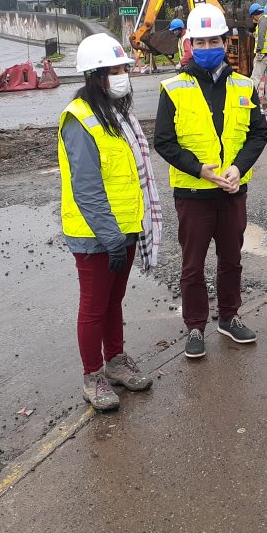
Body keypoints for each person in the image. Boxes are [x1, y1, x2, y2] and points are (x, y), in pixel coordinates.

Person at [154, 3, 267, 359]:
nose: (206, 49)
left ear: (226, 40)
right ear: (189, 44)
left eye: (213, 41)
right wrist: (199, 170)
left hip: (233, 192)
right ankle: (195, 325)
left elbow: (258, 134)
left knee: (232, 259)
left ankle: (229, 317)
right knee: (192, 263)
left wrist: (237, 167)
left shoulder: (243, 86)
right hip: (193, 193)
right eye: (199, 43)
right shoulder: (173, 88)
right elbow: (164, 141)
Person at [58, 32, 163, 411]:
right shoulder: (80, 121)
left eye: (125, 69)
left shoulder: (119, 116)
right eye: (115, 69)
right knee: (94, 306)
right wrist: (110, 237)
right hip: (95, 236)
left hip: (124, 229)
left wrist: (127, 232)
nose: (123, 76)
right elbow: (86, 189)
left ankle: (116, 361)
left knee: (113, 300)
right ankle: (92, 376)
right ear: (95, 75)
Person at [249, 2, 267, 103]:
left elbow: (261, 35)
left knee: (255, 77)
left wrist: (259, 50)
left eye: (253, 16)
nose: (253, 19)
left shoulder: (262, 19)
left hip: (263, 53)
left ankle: (251, 99)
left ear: (255, 14)